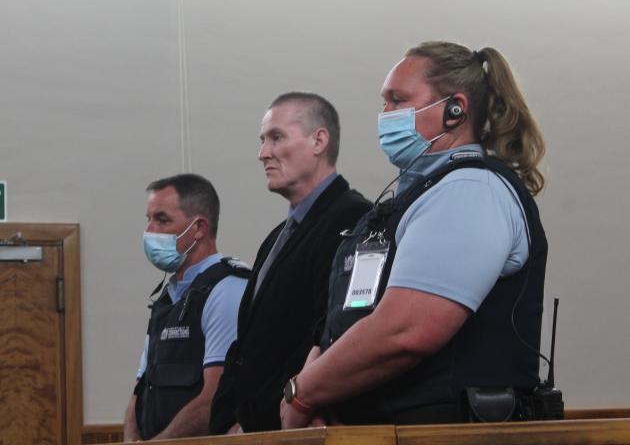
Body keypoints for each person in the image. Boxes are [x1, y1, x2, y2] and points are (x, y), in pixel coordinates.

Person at [280, 41, 548, 428]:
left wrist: (302, 394)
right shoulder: (413, 196)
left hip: (444, 432)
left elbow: (405, 331)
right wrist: (317, 381)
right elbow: (347, 320)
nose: (385, 114)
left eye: (397, 100)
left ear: (455, 109)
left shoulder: (470, 190)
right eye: (384, 102)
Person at [209, 92, 371, 433]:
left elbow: (329, 333)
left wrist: (261, 417)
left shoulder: (354, 218)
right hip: (252, 429)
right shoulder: (276, 237)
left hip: (294, 425)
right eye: (262, 140)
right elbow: (247, 345)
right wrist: (227, 421)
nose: (263, 153)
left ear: (319, 140)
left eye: (276, 137)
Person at [123, 174, 249, 441]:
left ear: (199, 228)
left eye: (162, 219)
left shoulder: (226, 289)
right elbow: (139, 391)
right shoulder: (167, 298)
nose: (150, 231)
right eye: (148, 219)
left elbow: (213, 400)